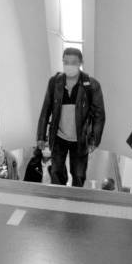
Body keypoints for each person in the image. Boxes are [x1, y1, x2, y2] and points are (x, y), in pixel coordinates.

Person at [36, 48, 106, 187]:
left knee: (79, 175)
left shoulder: (91, 85)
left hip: (80, 139)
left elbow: (100, 116)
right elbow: (46, 110)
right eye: (66, 62)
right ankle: (59, 201)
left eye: (73, 62)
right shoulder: (55, 82)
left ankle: (75, 203)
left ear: (81, 63)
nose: (69, 65)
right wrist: (41, 136)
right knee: (56, 172)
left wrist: (94, 140)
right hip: (58, 137)